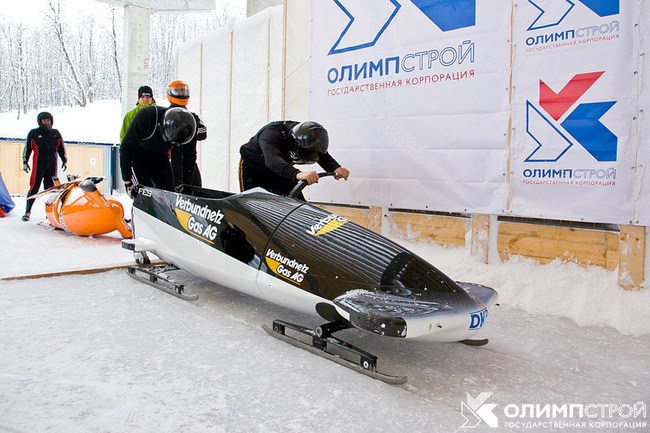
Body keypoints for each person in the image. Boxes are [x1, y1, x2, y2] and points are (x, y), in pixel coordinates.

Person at [239, 121, 349, 198]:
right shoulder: (270, 134)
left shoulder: (306, 133)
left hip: (281, 168)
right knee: (251, 209)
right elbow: (272, 159)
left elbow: (321, 154)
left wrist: (336, 168)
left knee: (298, 204)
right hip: (253, 169)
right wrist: (297, 174)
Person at [120, 105, 198, 196]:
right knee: (145, 194)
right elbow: (126, 147)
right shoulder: (146, 116)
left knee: (168, 194)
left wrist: (186, 186)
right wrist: (127, 181)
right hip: (138, 157)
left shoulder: (188, 130)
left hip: (161, 157)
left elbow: (190, 158)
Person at [22, 111, 67, 221]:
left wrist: (64, 160)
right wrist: (25, 161)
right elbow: (27, 148)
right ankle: (27, 211)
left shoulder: (55, 133)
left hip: (52, 164)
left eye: (48, 121)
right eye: (44, 121)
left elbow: (61, 147)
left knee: (50, 190)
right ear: (40, 121)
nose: (46, 123)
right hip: (38, 165)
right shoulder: (33, 133)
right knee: (34, 188)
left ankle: (49, 214)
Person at [166, 80, 207, 188]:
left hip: (189, 157)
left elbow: (203, 133)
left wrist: (191, 131)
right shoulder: (165, 115)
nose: (180, 95)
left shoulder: (192, 116)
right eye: (178, 92)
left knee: (194, 186)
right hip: (171, 158)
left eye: (182, 92)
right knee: (173, 186)